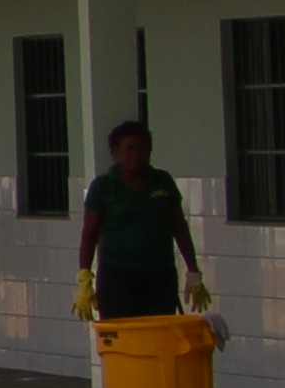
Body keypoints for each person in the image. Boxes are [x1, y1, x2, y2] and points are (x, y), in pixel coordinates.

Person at [67, 119, 208, 321]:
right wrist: (84, 277)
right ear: (116, 151)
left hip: (159, 274)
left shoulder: (162, 181)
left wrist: (193, 271)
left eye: (143, 149)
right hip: (118, 276)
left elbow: (179, 227)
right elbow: (90, 233)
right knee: (123, 337)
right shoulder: (103, 187)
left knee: (158, 337)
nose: (136, 155)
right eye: (130, 149)